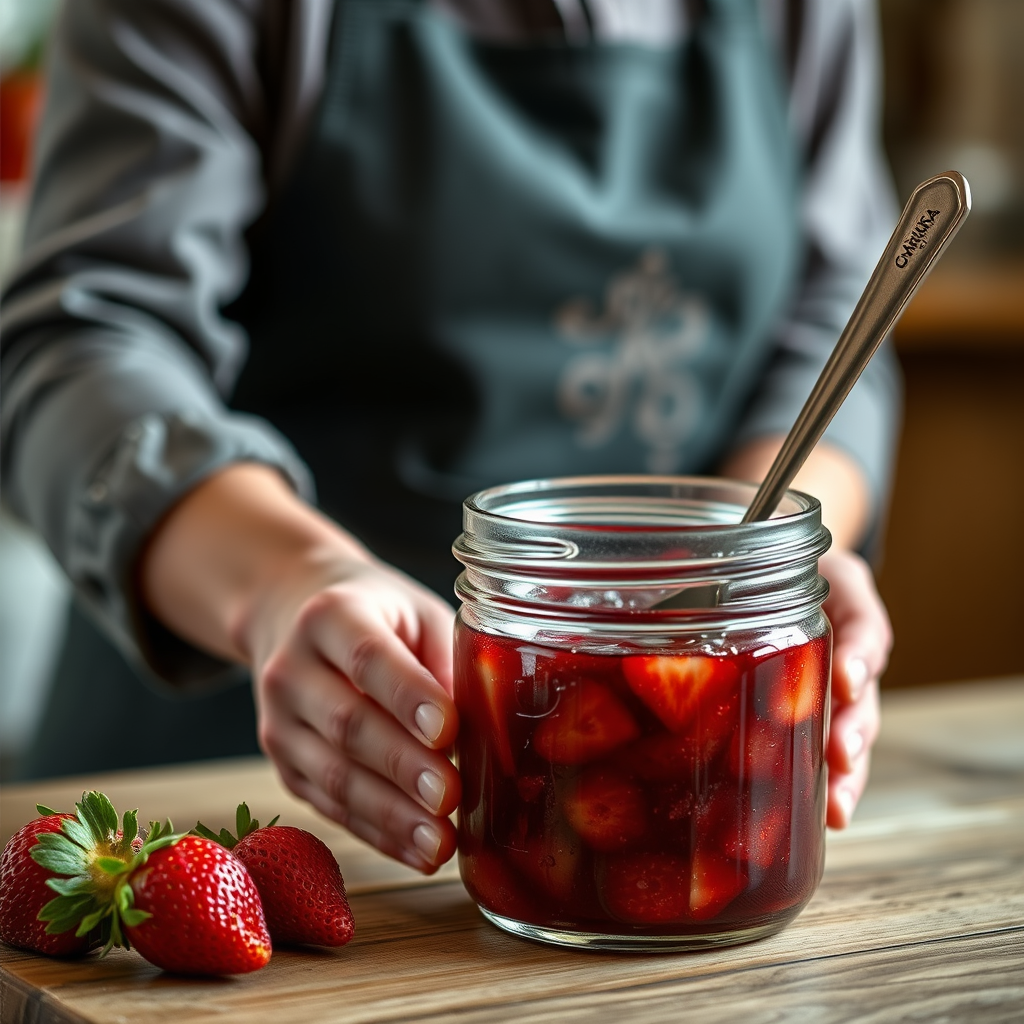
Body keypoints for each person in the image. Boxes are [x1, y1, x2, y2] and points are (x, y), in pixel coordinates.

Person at [0, 0, 896, 873]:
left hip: (674, 795)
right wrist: (284, 585)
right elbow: (76, 349)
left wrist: (761, 564)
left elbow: (834, 317)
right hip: (224, 804)